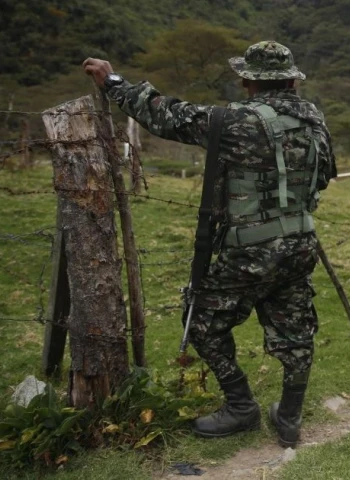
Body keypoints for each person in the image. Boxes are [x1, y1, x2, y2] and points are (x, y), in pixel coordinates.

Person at [83, 41, 336, 448]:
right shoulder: (315, 121)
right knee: (295, 327)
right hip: (301, 244)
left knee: (200, 320)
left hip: (251, 248)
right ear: (291, 80)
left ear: (247, 82)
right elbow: (323, 178)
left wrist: (114, 82)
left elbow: (167, 115)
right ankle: (288, 418)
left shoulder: (235, 121)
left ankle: (241, 407)